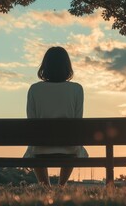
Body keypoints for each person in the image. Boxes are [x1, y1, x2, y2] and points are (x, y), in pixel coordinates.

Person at [23, 46, 88, 187]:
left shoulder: (34, 89)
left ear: (44, 66)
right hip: (69, 149)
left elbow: (31, 123)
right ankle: (61, 186)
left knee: (36, 147)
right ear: (67, 66)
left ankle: (45, 186)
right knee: (73, 143)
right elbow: (78, 123)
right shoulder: (77, 89)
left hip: (40, 149)